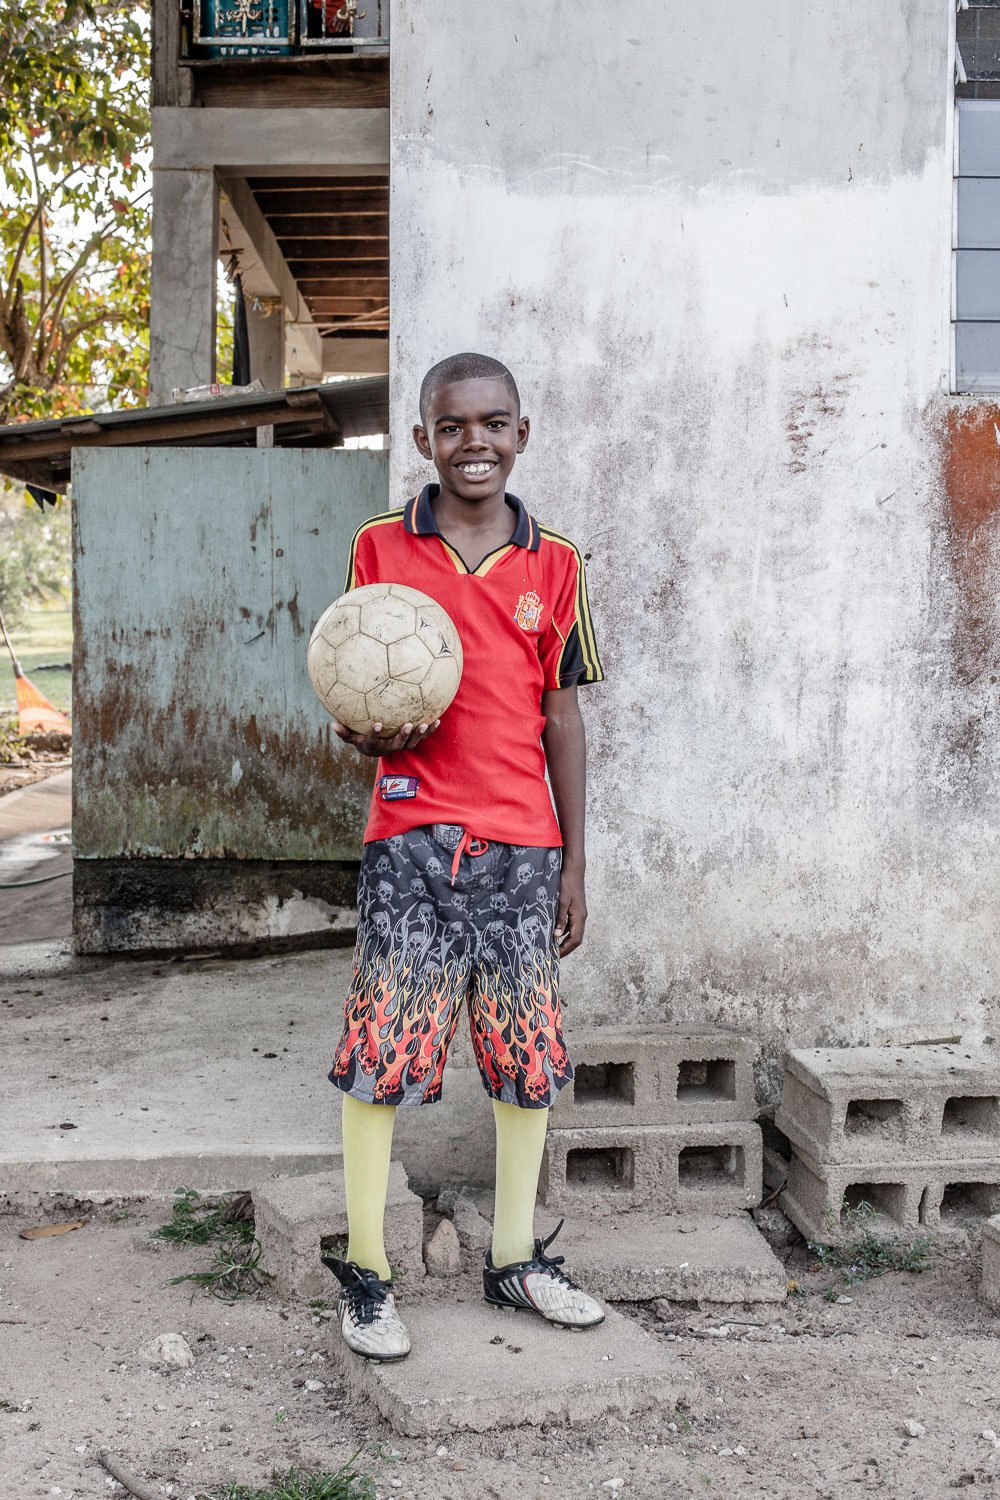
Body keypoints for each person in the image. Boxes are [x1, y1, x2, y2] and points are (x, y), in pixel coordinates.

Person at [322, 351, 605, 1360]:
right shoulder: (377, 546)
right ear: (422, 441)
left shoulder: (556, 561)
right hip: (409, 836)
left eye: (493, 424)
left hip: (522, 845)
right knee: (382, 1056)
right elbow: (357, 673)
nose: (473, 442)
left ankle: (517, 1261)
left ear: (520, 433)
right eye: (452, 426)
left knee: (524, 1059)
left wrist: (573, 863)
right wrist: (363, 730)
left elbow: (561, 718)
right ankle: (366, 1272)